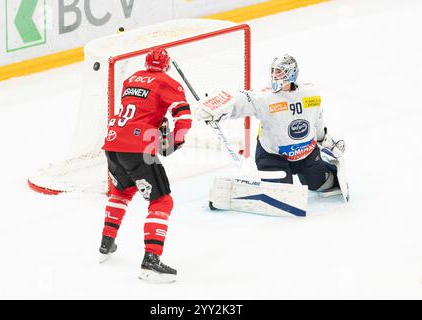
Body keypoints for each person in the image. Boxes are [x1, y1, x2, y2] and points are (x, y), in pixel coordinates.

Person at [99, 47, 192, 283]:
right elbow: (184, 117)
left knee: (122, 190)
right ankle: (151, 261)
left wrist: (158, 122)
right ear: (167, 65)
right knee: (162, 200)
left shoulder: (131, 80)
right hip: (137, 148)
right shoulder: (167, 81)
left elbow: (141, 110)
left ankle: (106, 242)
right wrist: (175, 141)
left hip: (112, 144)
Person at [194, 54, 345, 196]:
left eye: (279, 72)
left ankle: (326, 165)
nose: (274, 75)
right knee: (281, 195)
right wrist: (217, 108)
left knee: (321, 185)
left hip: (307, 154)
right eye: (273, 71)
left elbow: (317, 121)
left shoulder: (310, 94)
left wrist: (326, 141)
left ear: (291, 74)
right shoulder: (266, 97)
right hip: (273, 157)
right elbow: (243, 100)